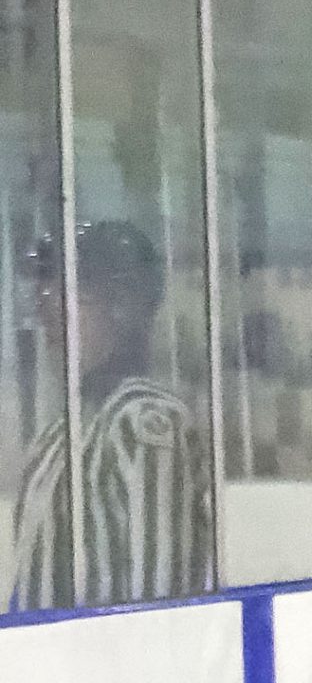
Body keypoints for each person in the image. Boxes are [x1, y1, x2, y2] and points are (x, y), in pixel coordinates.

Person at [10, 219, 211, 611]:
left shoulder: (143, 420)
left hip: (107, 668)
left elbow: (159, 603)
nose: (48, 307)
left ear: (124, 309)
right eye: (45, 292)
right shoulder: (56, 437)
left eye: (75, 293)